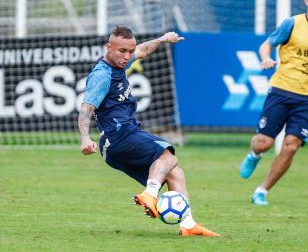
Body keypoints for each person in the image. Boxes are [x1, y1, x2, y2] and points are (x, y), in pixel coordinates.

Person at [78, 26, 220, 236]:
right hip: (120, 135)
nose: (127, 56)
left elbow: (142, 51)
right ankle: (150, 194)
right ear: (108, 47)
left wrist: (163, 39)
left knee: (175, 173)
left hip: (114, 145)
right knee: (168, 156)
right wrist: (84, 138)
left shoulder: (120, 62)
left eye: (129, 51)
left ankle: (188, 225)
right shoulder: (102, 75)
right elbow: (86, 109)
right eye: (122, 51)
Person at [239, 0, 308, 205]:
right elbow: (267, 44)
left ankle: (262, 191)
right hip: (282, 91)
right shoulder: (292, 24)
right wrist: (265, 58)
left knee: (291, 145)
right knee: (264, 143)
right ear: (306, 0)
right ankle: (254, 154)